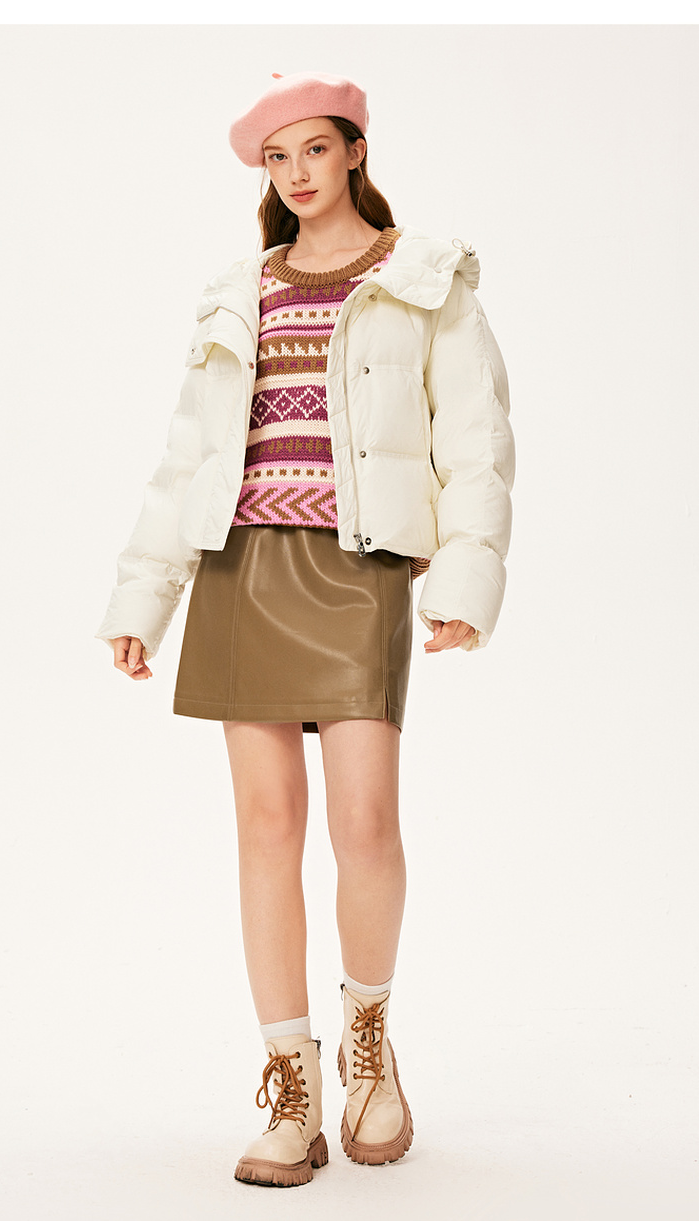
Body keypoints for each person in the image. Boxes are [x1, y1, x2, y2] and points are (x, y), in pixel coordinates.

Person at [95, 70, 515, 1188]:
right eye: (277, 158)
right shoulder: (239, 292)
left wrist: (463, 579)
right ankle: (292, 1082)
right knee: (266, 825)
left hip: (358, 564)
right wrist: (144, 599)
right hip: (241, 567)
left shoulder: (423, 278)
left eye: (316, 149)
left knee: (365, 821)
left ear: (356, 152)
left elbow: (475, 438)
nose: (297, 173)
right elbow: (189, 459)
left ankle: (369, 1048)